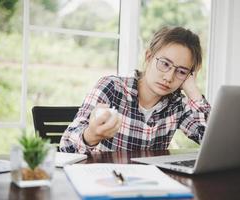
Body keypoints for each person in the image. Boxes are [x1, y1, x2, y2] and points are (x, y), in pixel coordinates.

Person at [60, 26, 211, 153]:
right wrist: (91, 135)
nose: (169, 77)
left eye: (181, 72)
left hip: (152, 184)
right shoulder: (111, 87)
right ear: (148, 57)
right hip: (107, 181)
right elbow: (66, 147)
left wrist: (194, 93)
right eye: (165, 64)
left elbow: (212, 141)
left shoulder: (177, 104)